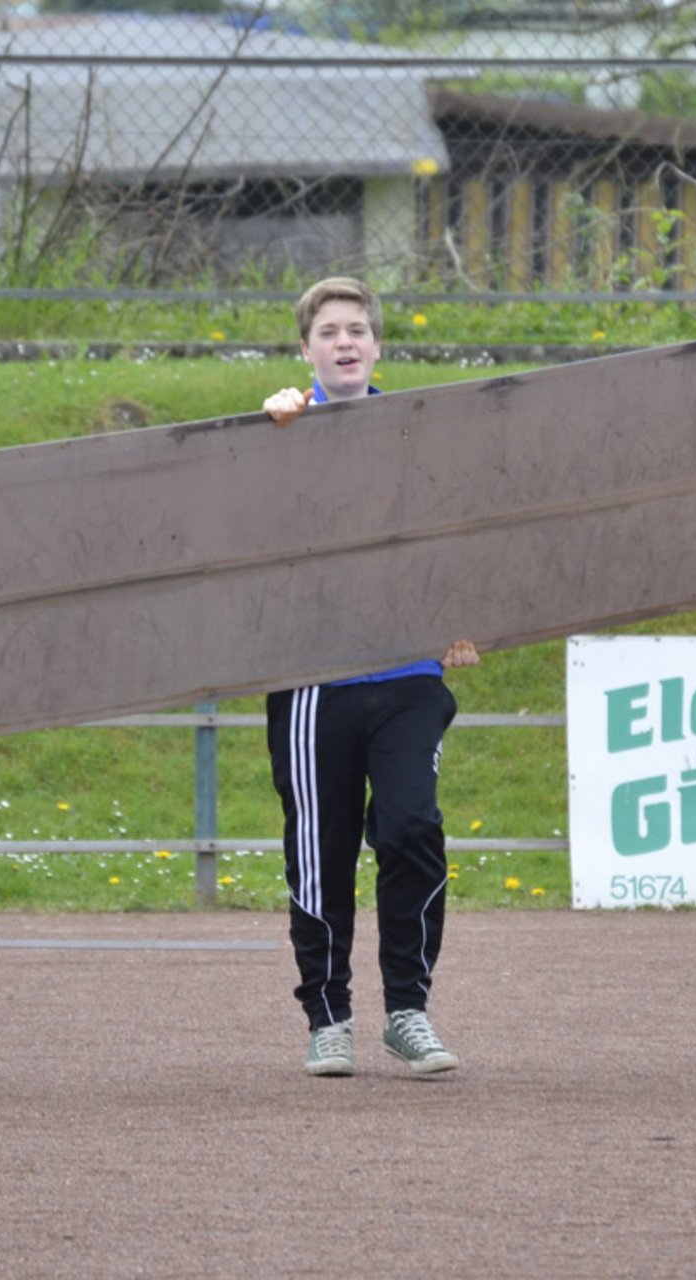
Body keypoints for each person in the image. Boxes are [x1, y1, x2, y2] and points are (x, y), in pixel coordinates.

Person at [261, 276, 479, 1078]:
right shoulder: (281, 430)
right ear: (307, 350)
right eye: (329, 332)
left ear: (379, 346)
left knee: (412, 828)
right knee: (320, 850)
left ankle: (407, 1011)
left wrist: (460, 619)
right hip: (314, 679)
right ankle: (328, 1017)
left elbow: (450, 532)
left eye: (358, 329)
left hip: (408, 675)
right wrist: (276, 433)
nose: (345, 341)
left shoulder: (416, 436)